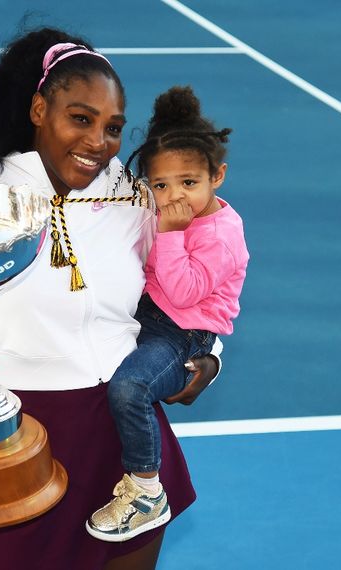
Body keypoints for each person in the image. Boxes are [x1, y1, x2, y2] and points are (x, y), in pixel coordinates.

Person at [0, 28, 222, 570]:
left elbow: (203, 282)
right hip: (17, 448)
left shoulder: (137, 199)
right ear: (37, 108)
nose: (98, 141)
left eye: (113, 127)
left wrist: (209, 359)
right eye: (81, 118)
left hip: (127, 447)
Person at [85, 86, 249, 542]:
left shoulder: (220, 234)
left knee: (130, 387)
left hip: (182, 334)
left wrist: (172, 233)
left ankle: (145, 490)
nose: (175, 196)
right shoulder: (165, 210)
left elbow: (184, 290)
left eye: (189, 183)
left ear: (218, 175)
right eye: (161, 185)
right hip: (149, 313)